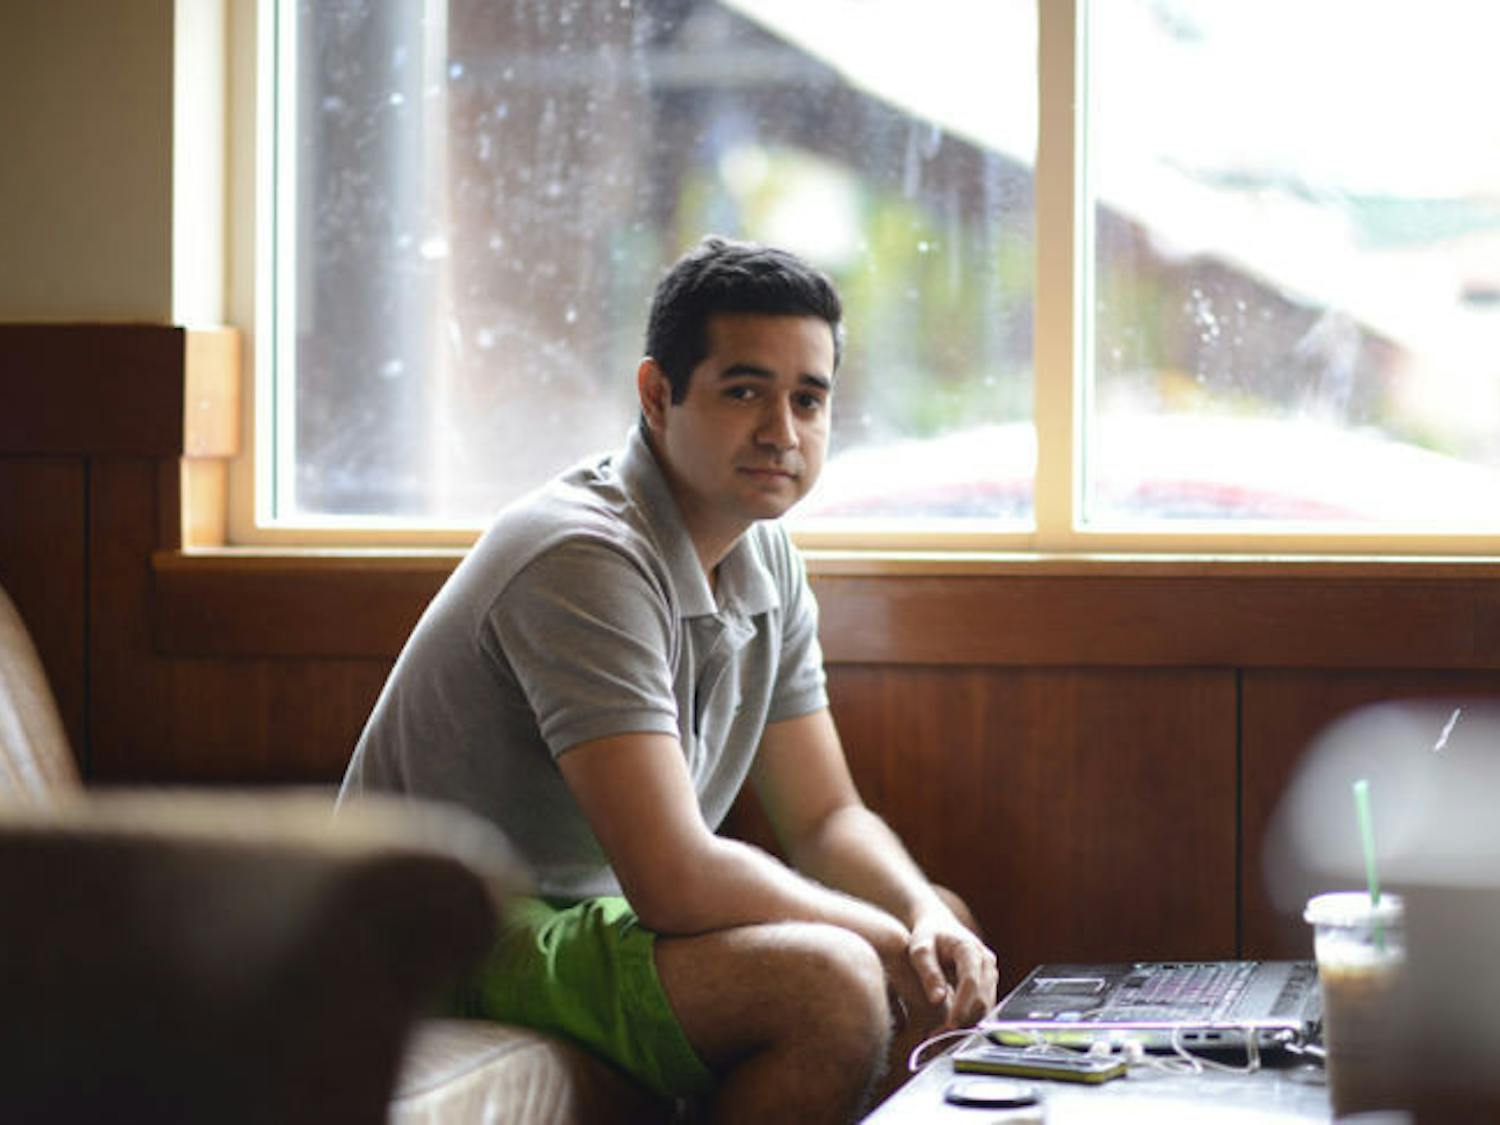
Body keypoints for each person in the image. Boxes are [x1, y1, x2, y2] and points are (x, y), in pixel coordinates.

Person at [338, 236, 998, 1123]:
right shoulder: (582, 555)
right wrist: (883, 941)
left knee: (937, 925)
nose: (782, 431)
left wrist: (920, 916)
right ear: (658, 394)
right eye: (744, 391)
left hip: (574, 928)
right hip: (443, 935)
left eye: (809, 398)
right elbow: (675, 877)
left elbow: (826, 816)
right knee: (835, 980)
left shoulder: (766, 557)